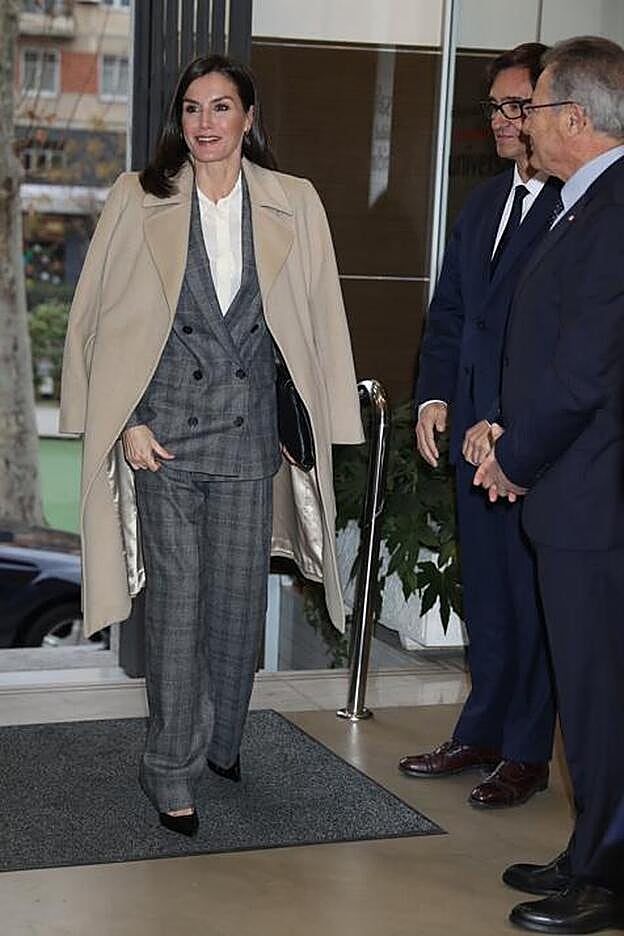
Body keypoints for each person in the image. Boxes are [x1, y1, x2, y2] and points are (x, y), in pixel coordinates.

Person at [59, 54, 363, 837]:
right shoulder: (140, 196)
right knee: (176, 611)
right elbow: (98, 314)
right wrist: (122, 420)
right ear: (179, 119)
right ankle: (170, 768)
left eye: (221, 108)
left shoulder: (294, 202)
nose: (205, 123)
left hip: (248, 437)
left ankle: (224, 738)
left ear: (249, 118)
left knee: (235, 608)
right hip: (160, 437)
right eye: (192, 108)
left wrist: (324, 428)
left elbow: (321, 318)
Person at [474, 36, 624, 934]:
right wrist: (502, 430)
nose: (518, 123)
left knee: (604, 696)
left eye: (531, 109)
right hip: (572, 488)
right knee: (588, 692)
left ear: (573, 118)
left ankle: (607, 879)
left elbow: (587, 376)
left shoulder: (613, 213)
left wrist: (516, 455)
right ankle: (590, 847)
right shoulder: (583, 204)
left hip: (593, 499)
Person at [398, 44, 561, 809]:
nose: (502, 121)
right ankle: (483, 730)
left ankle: (527, 751)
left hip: (530, 447)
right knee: (488, 596)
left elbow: (564, 345)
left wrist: (505, 425)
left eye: (517, 106)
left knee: (531, 604)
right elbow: (452, 313)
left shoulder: (577, 210)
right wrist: (435, 398)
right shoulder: (486, 204)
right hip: (467, 437)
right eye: (495, 106)